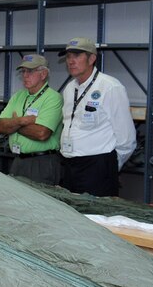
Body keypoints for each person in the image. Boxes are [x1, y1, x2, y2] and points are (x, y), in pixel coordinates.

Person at [58, 37, 136, 196]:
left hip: (98, 167)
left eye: (77, 56)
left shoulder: (110, 87)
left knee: (96, 218)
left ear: (92, 58)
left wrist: (110, 167)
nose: (71, 61)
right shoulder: (69, 88)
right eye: (68, 57)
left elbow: (126, 139)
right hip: (69, 166)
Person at [0, 54, 63, 184]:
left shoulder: (53, 98)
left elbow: (42, 133)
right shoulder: (18, 96)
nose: (25, 75)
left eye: (30, 71)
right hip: (18, 160)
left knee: (40, 203)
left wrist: (13, 125)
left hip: (41, 163)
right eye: (23, 71)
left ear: (43, 74)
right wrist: (22, 121)